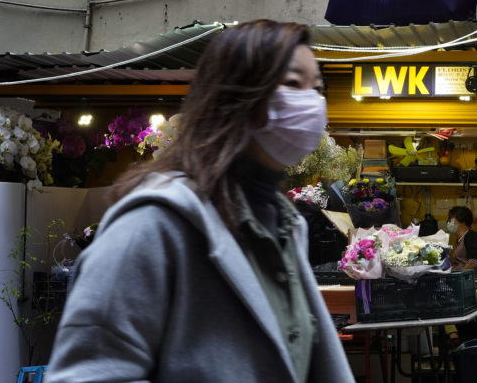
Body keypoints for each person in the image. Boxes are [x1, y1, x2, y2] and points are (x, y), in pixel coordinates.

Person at [46, 20, 356, 383]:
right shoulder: (152, 226)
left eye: (316, 88)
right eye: (291, 84)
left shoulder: (283, 225)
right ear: (236, 95)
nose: (311, 102)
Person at [447, 205, 477, 277]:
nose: (448, 222)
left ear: (462, 221)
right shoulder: (460, 239)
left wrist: (458, 276)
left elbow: (473, 263)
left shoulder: (471, 236)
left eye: (451, 219)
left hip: (473, 280)